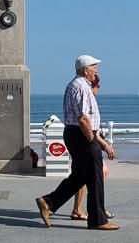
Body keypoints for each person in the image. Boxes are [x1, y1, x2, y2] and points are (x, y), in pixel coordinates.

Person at [35, 55, 118, 231]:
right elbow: (83, 119)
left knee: (80, 176)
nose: (96, 71)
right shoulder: (81, 87)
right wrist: (92, 140)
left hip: (75, 135)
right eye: (94, 67)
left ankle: (48, 202)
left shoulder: (77, 85)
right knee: (95, 178)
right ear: (85, 69)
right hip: (82, 136)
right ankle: (98, 220)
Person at [71, 74, 113, 222]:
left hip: (82, 141)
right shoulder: (84, 93)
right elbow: (88, 126)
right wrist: (103, 145)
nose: (98, 90)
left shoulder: (83, 93)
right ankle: (89, 209)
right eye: (97, 87)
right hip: (86, 143)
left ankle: (92, 208)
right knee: (88, 176)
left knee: (84, 176)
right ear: (93, 86)